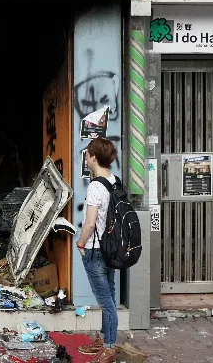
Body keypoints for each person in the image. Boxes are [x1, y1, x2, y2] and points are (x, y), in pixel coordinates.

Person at [75, 137, 119, 363]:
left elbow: (90, 223)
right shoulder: (113, 180)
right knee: (108, 296)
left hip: (95, 250)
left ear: (93, 157)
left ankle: (109, 348)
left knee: (106, 302)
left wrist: (80, 242)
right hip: (110, 248)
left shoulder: (95, 186)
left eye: (87, 153)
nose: (85, 156)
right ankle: (104, 340)